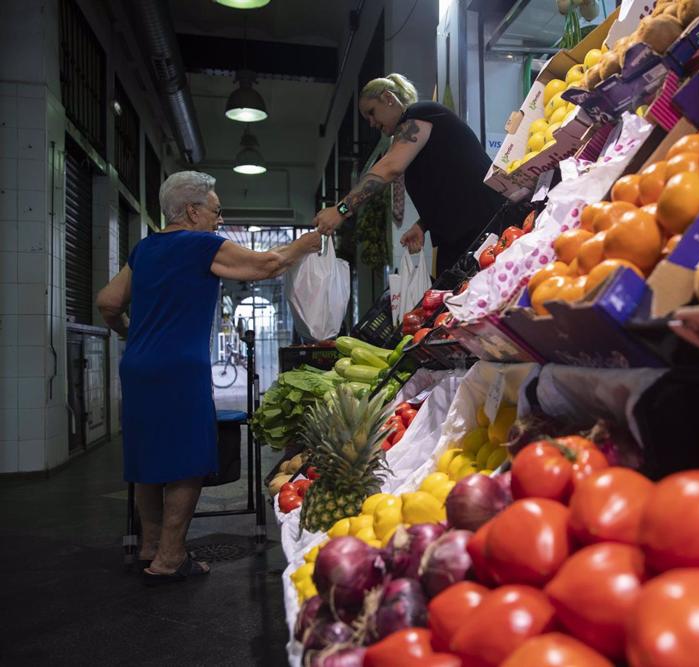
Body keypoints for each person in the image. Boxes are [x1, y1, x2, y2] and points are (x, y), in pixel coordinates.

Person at [96, 171, 321, 585]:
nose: (220, 219)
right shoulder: (199, 245)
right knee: (188, 461)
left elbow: (107, 301)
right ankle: (170, 557)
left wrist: (130, 332)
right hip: (179, 368)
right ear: (192, 211)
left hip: (138, 365)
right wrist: (306, 243)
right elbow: (266, 265)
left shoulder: (144, 249)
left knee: (147, 459)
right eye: (216, 211)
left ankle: (150, 545)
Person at [313, 73, 508, 276]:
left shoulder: (421, 113)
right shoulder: (413, 137)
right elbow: (450, 185)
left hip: (488, 227)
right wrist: (423, 224)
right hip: (463, 238)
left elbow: (390, 167)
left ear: (388, 98)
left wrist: (340, 210)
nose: (371, 123)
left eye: (372, 112)